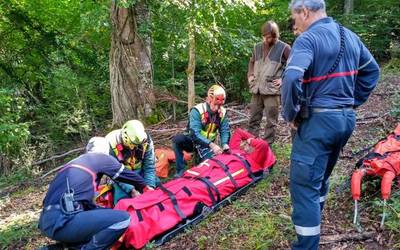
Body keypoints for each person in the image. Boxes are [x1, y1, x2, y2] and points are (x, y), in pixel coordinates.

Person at [281, 0, 380, 249]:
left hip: (318, 122)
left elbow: (292, 76)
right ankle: (314, 219)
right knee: (321, 175)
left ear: (304, 11)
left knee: (303, 185)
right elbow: (373, 71)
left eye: (294, 19)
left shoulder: (308, 39)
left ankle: (306, 245)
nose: (295, 27)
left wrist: (291, 114)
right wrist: (352, 102)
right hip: (344, 120)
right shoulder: (350, 37)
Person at [38, 137, 150, 250]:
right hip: (65, 220)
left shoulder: (70, 165)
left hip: (46, 222)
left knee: (103, 216)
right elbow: (125, 174)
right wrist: (145, 187)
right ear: (105, 151)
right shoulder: (99, 158)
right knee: (123, 219)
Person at [172, 84, 231, 177]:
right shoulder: (197, 111)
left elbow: (224, 130)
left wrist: (224, 144)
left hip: (207, 145)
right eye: (215, 104)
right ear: (209, 99)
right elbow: (194, 133)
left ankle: (200, 160)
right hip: (193, 141)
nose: (217, 108)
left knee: (211, 166)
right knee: (177, 140)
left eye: (220, 105)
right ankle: (180, 170)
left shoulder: (222, 112)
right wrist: (212, 145)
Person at [247, 20, 291, 144]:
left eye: (271, 37)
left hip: (272, 91)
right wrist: (250, 75)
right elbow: (251, 62)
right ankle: (252, 144)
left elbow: (294, 65)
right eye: (266, 37)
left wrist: (284, 79)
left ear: (276, 35)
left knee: (271, 122)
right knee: (253, 119)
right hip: (257, 89)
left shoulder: (284, 48)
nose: (268, 40)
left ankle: (266, 146)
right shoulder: (257, 47)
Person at [105, 120, 156, 204]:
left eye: (136, 146)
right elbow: (115, 172)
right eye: (131, 146)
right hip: (121, 176)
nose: (133, 149)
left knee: (157, 188)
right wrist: (132, 190)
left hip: (140, 172)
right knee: (123, 200)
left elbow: (149, 165)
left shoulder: (146, 140)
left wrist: (150, 186)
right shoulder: (110, 143)